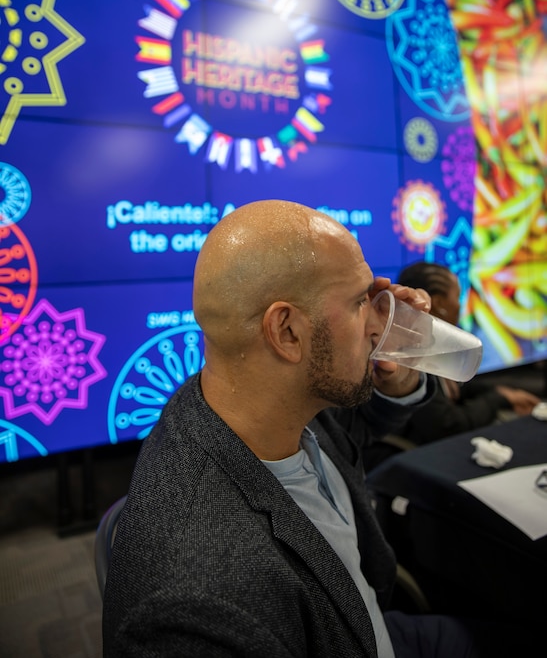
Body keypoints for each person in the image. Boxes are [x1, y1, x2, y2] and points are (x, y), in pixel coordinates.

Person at [102, 201, 531, 657]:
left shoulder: (255, 400)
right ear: (286, 331)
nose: (377, 323)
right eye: (359, 303)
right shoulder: (201, 600)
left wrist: (401, 365)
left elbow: (353, 427)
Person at [387, 261, 540, 446]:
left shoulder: (430, 345)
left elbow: (457, 389)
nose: (461, 306)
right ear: (439, 303)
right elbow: (449, 425)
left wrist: (503, 394)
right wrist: (497, 399)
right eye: (458, 297)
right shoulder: (408, 357)